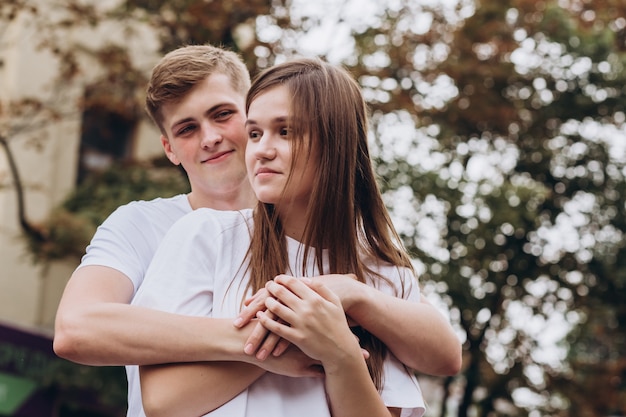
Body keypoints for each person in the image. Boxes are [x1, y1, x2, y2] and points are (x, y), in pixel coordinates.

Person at [53, 45, 461, 416]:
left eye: (223, 115)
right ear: (170, 150)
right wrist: (275, 333)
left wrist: (349, 311)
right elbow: (77, 330)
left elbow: (436, 346)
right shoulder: (157, 226)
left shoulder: (359, 257)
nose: (211, 138)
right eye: (187, 129)